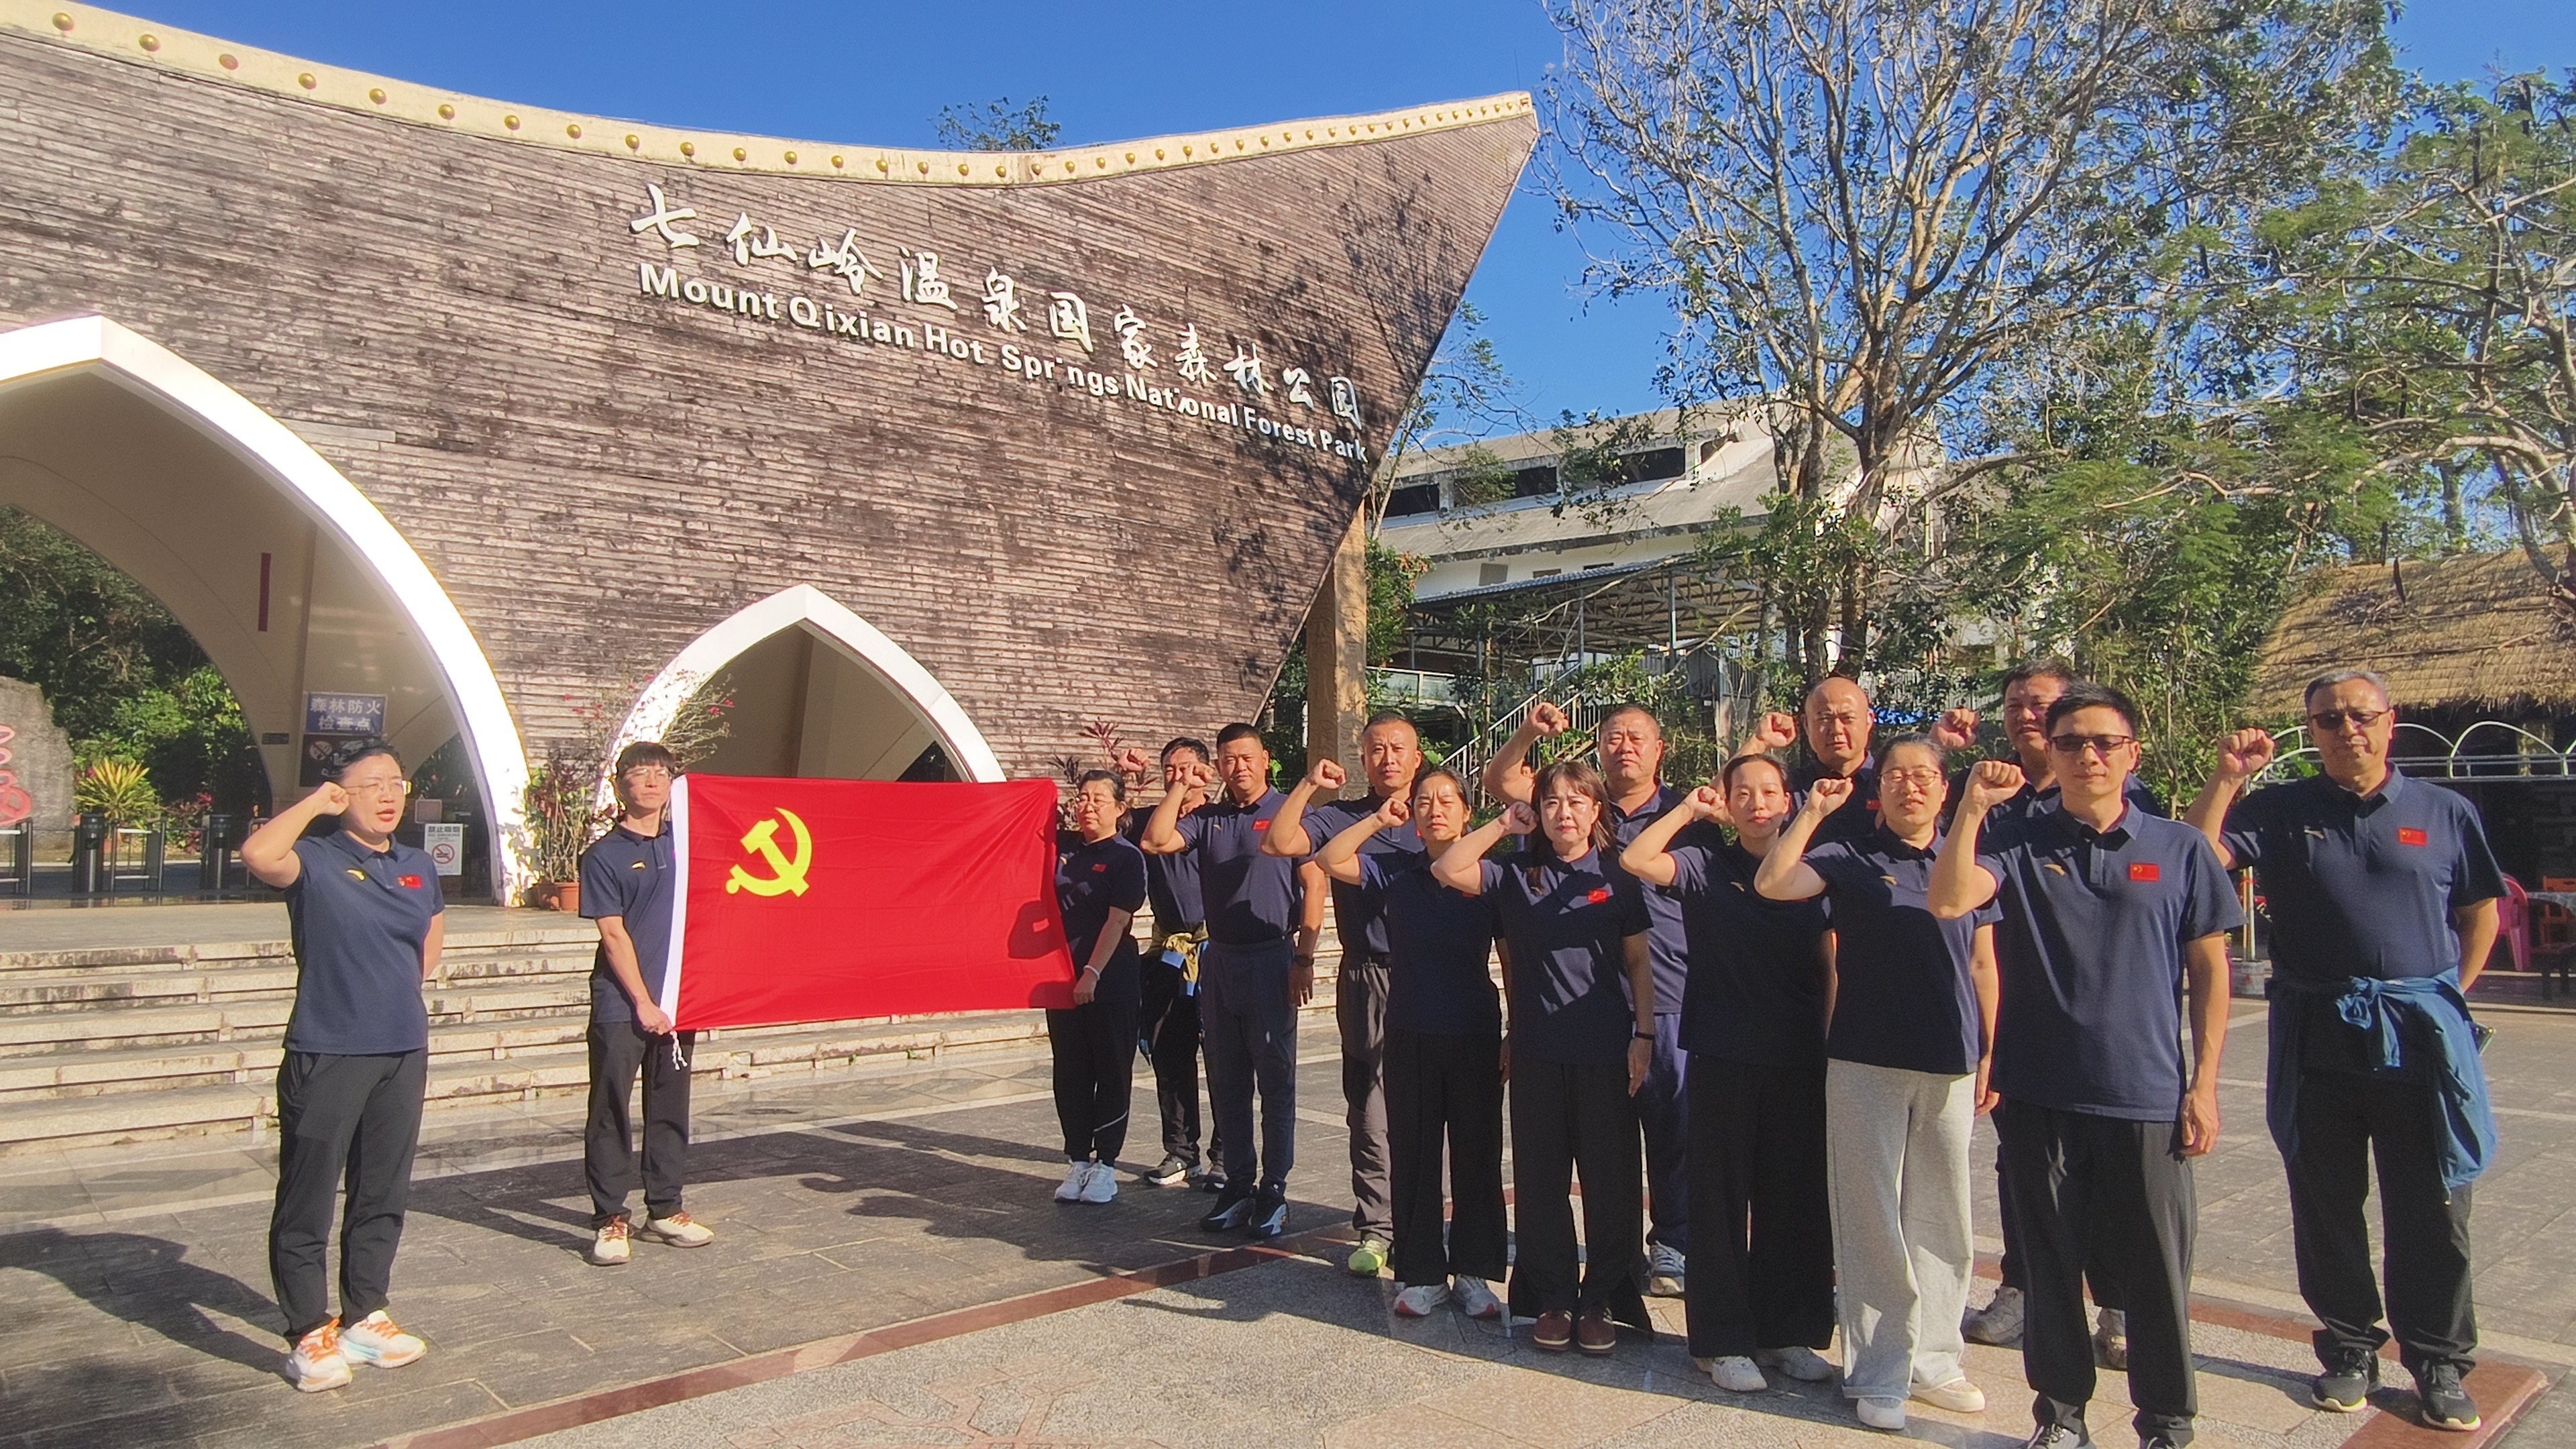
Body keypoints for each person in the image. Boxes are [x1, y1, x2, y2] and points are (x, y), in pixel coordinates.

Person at [2184, 669, 2500, 1432]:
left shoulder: (2445, 811)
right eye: (2328, 720)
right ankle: (2350, 1347)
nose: (2346, 730)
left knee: (2433, 1205)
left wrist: (2446, 998)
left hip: (2418, 1041)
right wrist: (2226, 779)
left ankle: (2438, 1360)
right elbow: (2194, 859)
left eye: (2360, 715)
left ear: (2390, 721)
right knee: (2325, 1202)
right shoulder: (2280, 810)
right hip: (2316, 1031)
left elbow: (2480, 912)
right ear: (2312, 731)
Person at [1929, 682, 2241, 1449]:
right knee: (2050, 1268)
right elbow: (1949, 900)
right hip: (2040, 1094)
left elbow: (2211, 972)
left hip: (2146, 1095)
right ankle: (2061, 1417)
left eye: (2105, 742)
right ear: (2053, 752)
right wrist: (1969, 810)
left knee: (2156, 1274)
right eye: (2070, 743)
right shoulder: (2017, 840)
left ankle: (2167, 1422)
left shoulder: (2180, 849)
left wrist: (2203, 1086)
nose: (2088, 756)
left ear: (2133, 753)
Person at [1756, 736, 1999, 1432]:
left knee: (1944, 1215)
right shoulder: (1849, 857)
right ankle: (1880, 1369)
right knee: (1871, 1218)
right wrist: (1810, 813)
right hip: (1865, 1059)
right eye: (1896, 775)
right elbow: (1774, 883)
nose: (1909, 787)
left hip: (1949, 1060)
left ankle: (1935, 1361)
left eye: (1923, 776)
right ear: (1879, 790)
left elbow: (1983, 965)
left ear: (1945, 789)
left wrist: (1992, 1050)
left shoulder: (1973, 859)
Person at [1943, 658, 2152, 1364]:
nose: (2026, 716)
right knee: (2024, 1166)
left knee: (2114, 1171)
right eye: (2014, 705)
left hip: (2111, 1021)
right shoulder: (1991, 799)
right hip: (2019, 1015)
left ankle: (2118, 1301)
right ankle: (2024, 1288)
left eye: (2040, 704)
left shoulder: (2122, 794)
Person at [1619, 754, 1836, 1395]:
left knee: (1791, 1199)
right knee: (1718, 1201)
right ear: (1729, 802)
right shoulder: (1704, 863)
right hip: (1721, 1051)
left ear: (1789, 799)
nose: (1758, 803)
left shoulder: (1813, 869)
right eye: (1744, 793)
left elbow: (1830, 966)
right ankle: (1722, 1342)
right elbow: (1637, 859)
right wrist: (1689, 809)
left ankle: (1785, 1332)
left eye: (1769, 791)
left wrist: (1831, 1046)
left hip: (1797, 1053)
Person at [241, 739, 442, 1393]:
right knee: (308, 1194)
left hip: (401, 1049)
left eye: (396, 782)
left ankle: (364, 1314)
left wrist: (389, 1000)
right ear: (340, 794)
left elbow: (428, 945)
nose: (388, 795)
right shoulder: (315, 858)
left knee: (382, 1191)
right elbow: (258, 855)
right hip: (328, 1049)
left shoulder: (417, 865)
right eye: (370, 783)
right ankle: (308, 1331)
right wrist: (314, 805)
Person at [1435, 761, 1656, 1355]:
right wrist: (1502, 826)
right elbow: (1447, 867)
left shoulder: (1618, 876)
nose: (1564, 813)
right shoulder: (1516, 873)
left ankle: (1601, 1297)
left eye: (1577, 802)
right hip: (1537, 1051)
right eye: (1551, 802)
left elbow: (1639, 962)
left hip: (1606, 1049)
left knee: (1610, 1181)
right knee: (1540, 1181)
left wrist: (1644, 1035)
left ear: (1596, 811)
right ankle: (1554, 1297)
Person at [1483, 702, 1698, 1297]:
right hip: (1581, 1015)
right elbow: (1499, 781)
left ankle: (1672, 1244)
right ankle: (1562, 1284)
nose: (1624, 747)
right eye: (1613, 737)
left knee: (1672, 1133)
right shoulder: (1570, 802)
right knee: (1598, 1150)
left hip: (1667, 998)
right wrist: (1529, 730)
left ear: (1659, 749)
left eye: (1637, 738)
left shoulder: (1684, 814)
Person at [1313, 769, 1506, 1320]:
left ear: (1467, 812)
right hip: (1410, 1028)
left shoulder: (1489, 878)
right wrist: (1378, 819)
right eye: (1424, 801)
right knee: (1415, 1155)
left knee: (1476, 1154)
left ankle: (1474, 1272)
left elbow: (1512, 958)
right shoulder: (1396, 871)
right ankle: (1421, 1273)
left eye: (1446, 800)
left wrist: (1514, 1029)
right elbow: (1330, 858)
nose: (1435, 809)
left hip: (1473, 1031)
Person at [1263, 710, 1424, 1276]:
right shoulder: (1342, 817)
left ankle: (1424, 1226)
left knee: (1429, 1107)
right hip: (1366, 975)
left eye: (1398, 748)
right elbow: (1279, 842)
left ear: (1417, 757)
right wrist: (1310, 784)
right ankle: (1377, 1227)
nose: (1388, 758)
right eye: (1377, 748)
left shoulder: (1436, 812)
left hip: (1430, 975)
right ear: (1364, 759)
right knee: (1369, 1108)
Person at [1139, 722, 1311, 1239]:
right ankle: (1237, 1185)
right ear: (1217, 767)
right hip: (1220, 961)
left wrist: (1304, 957)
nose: (1239, 768)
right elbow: (1155, 839)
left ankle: (1273, 1189)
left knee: (1275, 1084)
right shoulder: (1208, 819)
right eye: (1228, 760)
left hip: (1271, 957)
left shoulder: (1286, 811)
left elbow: (1314, 884)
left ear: (1265, 759)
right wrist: (1180, 784)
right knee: (1228, 1082)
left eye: (1247, 757)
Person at [578, 742, 714, 1267]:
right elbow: (613, 935)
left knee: (670, 1104)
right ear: (621, 787)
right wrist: (641, 1001)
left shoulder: (689, 845)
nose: (653, 782)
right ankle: (610, 1217)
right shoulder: (604, 856)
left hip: (680, 1000)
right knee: (610, 1108)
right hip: (623, 1003)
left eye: (662, 773)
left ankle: (665, 1207)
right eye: (640, 773)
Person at [1123, 737, 1222, 1189]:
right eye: (1169, 769)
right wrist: (1125, 776)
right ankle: (1181, 1151)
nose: (1178, 776)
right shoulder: (1151, 822)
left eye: (1186, 768)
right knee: (1170, 1055)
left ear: (1206, 771)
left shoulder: (1219, 820)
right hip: (1168, 950)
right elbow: (1112, 826)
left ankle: (1227, 1155)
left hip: (1215, 951)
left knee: (1222, 1058)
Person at [1048, 770, 1150, 1204]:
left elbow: (1118, 920)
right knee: (1070, 1073)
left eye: (1099, 799)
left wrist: (1092, 972)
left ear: (1120, 808)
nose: (1087, 806)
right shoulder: (1064, 849)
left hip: (1111, 980)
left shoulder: (1127, 857)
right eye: (1082, 798)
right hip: (1061, 979)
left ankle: (1106, 1164)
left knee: (1111, 1072)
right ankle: (1077, 1159)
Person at [1735, 676, 1880, 845]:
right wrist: (1759, 742)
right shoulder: (1785, 787)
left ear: (1869, 720)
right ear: (1806, 724)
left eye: (1847, 718)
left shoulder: (1889, 783)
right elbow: (1718, 804)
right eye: (1824, 719)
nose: (1836, 729)